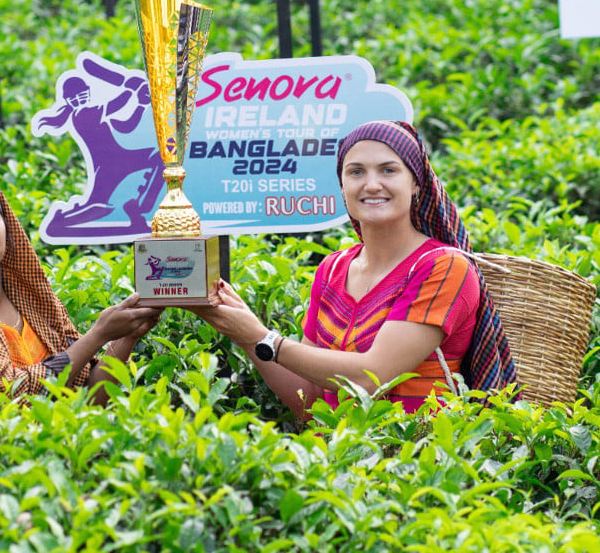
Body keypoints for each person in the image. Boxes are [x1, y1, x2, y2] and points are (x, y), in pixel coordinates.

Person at [194, 120, 517, 419]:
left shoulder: (444, 267)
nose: (372, 184)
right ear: (342, 185)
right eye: (356, 172)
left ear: (417, 183)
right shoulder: (332, 269)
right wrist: (245, 334)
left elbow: (370, 376)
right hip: (337, 462)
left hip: (419, 465)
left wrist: (264, 338)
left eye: (389, 170)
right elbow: (311, 402)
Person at [0, 168, 162, 403]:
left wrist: (128, 334)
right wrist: (97, 336)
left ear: (6, 225)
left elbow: (89, 397)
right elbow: (8, 399)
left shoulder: (35, 303)